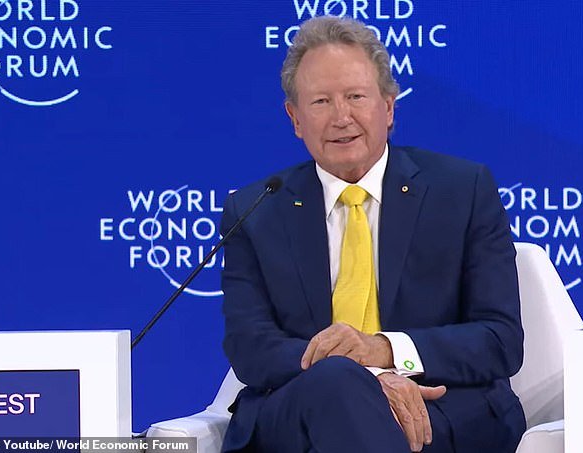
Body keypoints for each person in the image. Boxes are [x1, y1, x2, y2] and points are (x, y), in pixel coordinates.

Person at [220, 15, 525, 453]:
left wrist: (382, 350)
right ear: (295, 118)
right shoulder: (257, 210)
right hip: (304, 405)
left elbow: (499, 339)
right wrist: (365, 380)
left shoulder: (462, 190)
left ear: (388, 106)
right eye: (321, 101)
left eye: (355, 97)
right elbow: (251, 347)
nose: (341, 117)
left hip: (436, 402)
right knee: (336, 387)